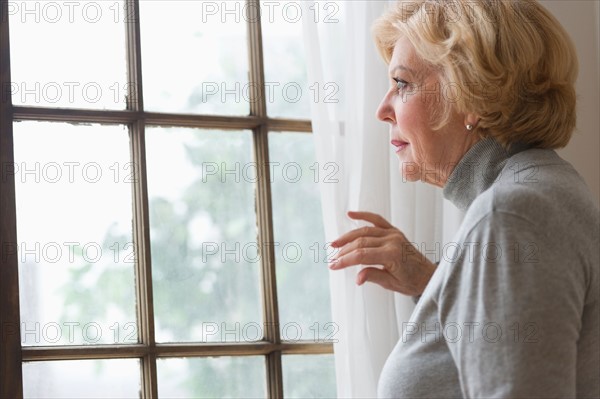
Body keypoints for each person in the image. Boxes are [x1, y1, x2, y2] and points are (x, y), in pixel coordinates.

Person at [328, 0, 600, 397]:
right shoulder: (543, 188)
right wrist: (433, 280)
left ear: (470, 94)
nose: (382, 109)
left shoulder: (511, 214)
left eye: (402, 84)